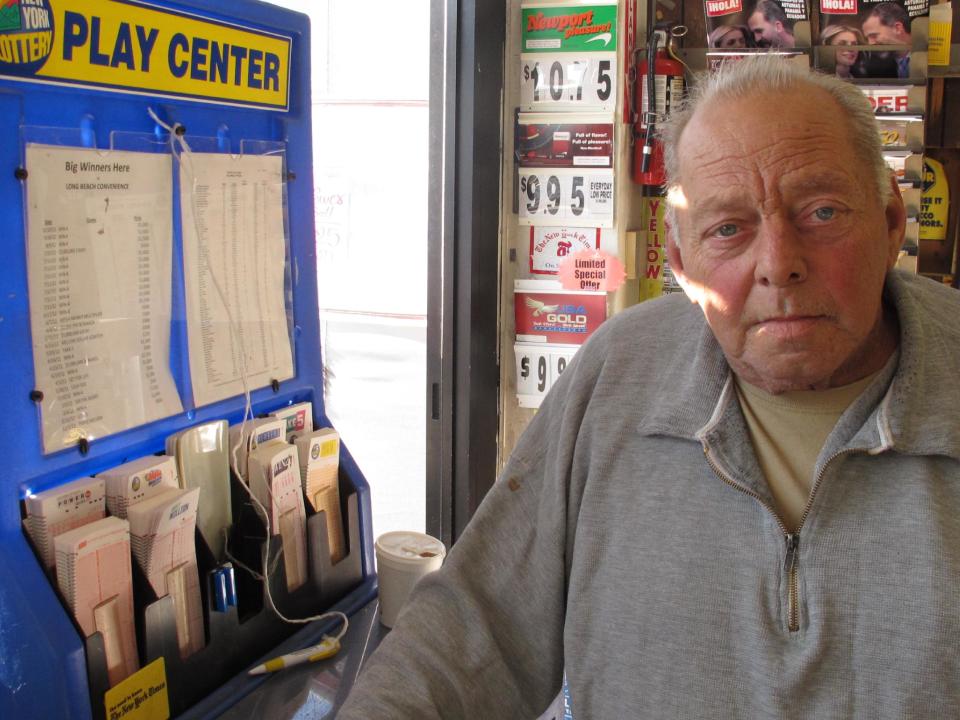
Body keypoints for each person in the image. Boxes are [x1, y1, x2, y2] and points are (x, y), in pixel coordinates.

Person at [339, 57, 960, 718]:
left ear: (892, 219)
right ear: (683, 260)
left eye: (822, 210)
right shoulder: (620, 373)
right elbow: (474, 631)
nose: (779, 264)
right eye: (729, 229)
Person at [862, 1, 912, 77]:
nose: (870, 43)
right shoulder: (877, 67)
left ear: (897, 28)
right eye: (867, 38)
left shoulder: (924, 56)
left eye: (874, 35)